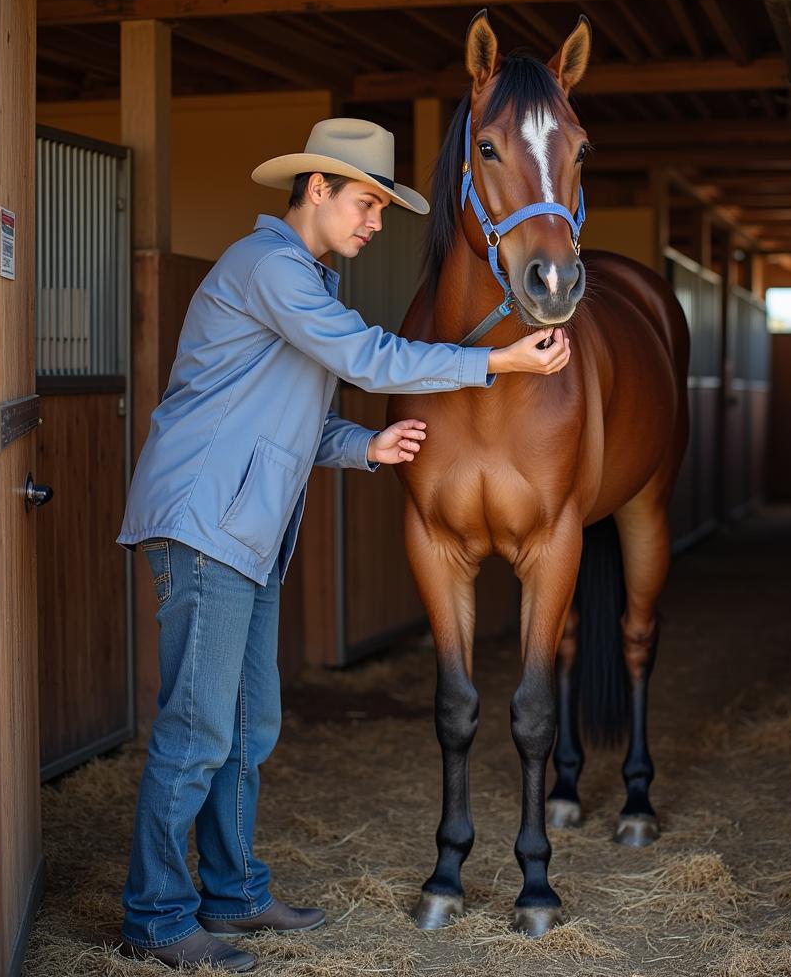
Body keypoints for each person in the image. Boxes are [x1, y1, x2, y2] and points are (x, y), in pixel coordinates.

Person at [115, 118, 571, 972]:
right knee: (198, 729)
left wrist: (364, 447)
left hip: (246, 531)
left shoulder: (307, 281)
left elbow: (287, 415)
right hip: (206, 523)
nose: (373, 223)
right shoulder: (270, 268)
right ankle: (156, 916)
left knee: (249, 727)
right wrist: (497, 365)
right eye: (365, 203)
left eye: (382, 209)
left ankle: (236, 893)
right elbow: (366, 358)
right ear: (315, 189)